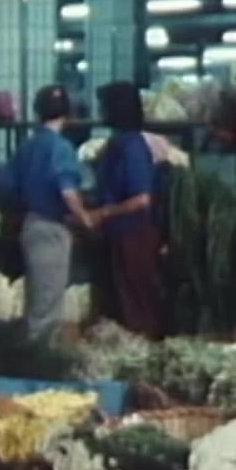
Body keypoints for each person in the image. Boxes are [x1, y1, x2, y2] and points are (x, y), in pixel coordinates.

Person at [0, 84, 94, 343]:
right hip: (52, 228)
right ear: (69, 114)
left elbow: (7, 185)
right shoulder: (61, 147)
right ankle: (41, 367)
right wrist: (85, 218)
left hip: (30, 225)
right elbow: (67, 190)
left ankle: (32, 359)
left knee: (37, 299)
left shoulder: (29, 145)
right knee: (48, 308)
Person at [91, 81, 165, 339]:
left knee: (136, 300)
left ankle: (143, 350)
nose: (100, 111)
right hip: (119, 234)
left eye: (104, 106)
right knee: (123, 300)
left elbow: (142, 198)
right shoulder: (117, 144)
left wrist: (103, 213)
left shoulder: (133, 147)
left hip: (134, 234)